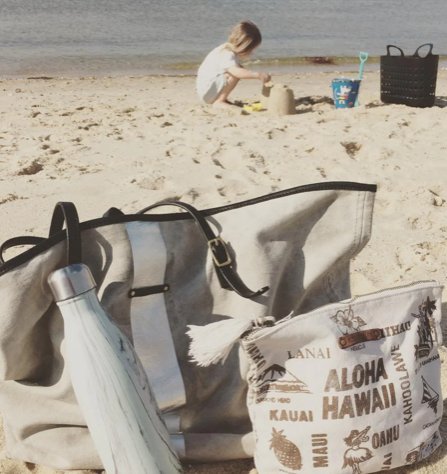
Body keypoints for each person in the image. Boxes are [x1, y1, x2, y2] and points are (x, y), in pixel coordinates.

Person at [196, 20, 271, 108]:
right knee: (235, 73)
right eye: (251, 49)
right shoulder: (226, 53)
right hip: (207, 91)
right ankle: (219, 101)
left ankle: (221, 98)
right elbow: (236, 72)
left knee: (238, 68)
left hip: (207, 90)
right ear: (245, 46)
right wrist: (258, 75)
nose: (251, 52)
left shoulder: (225, 49)